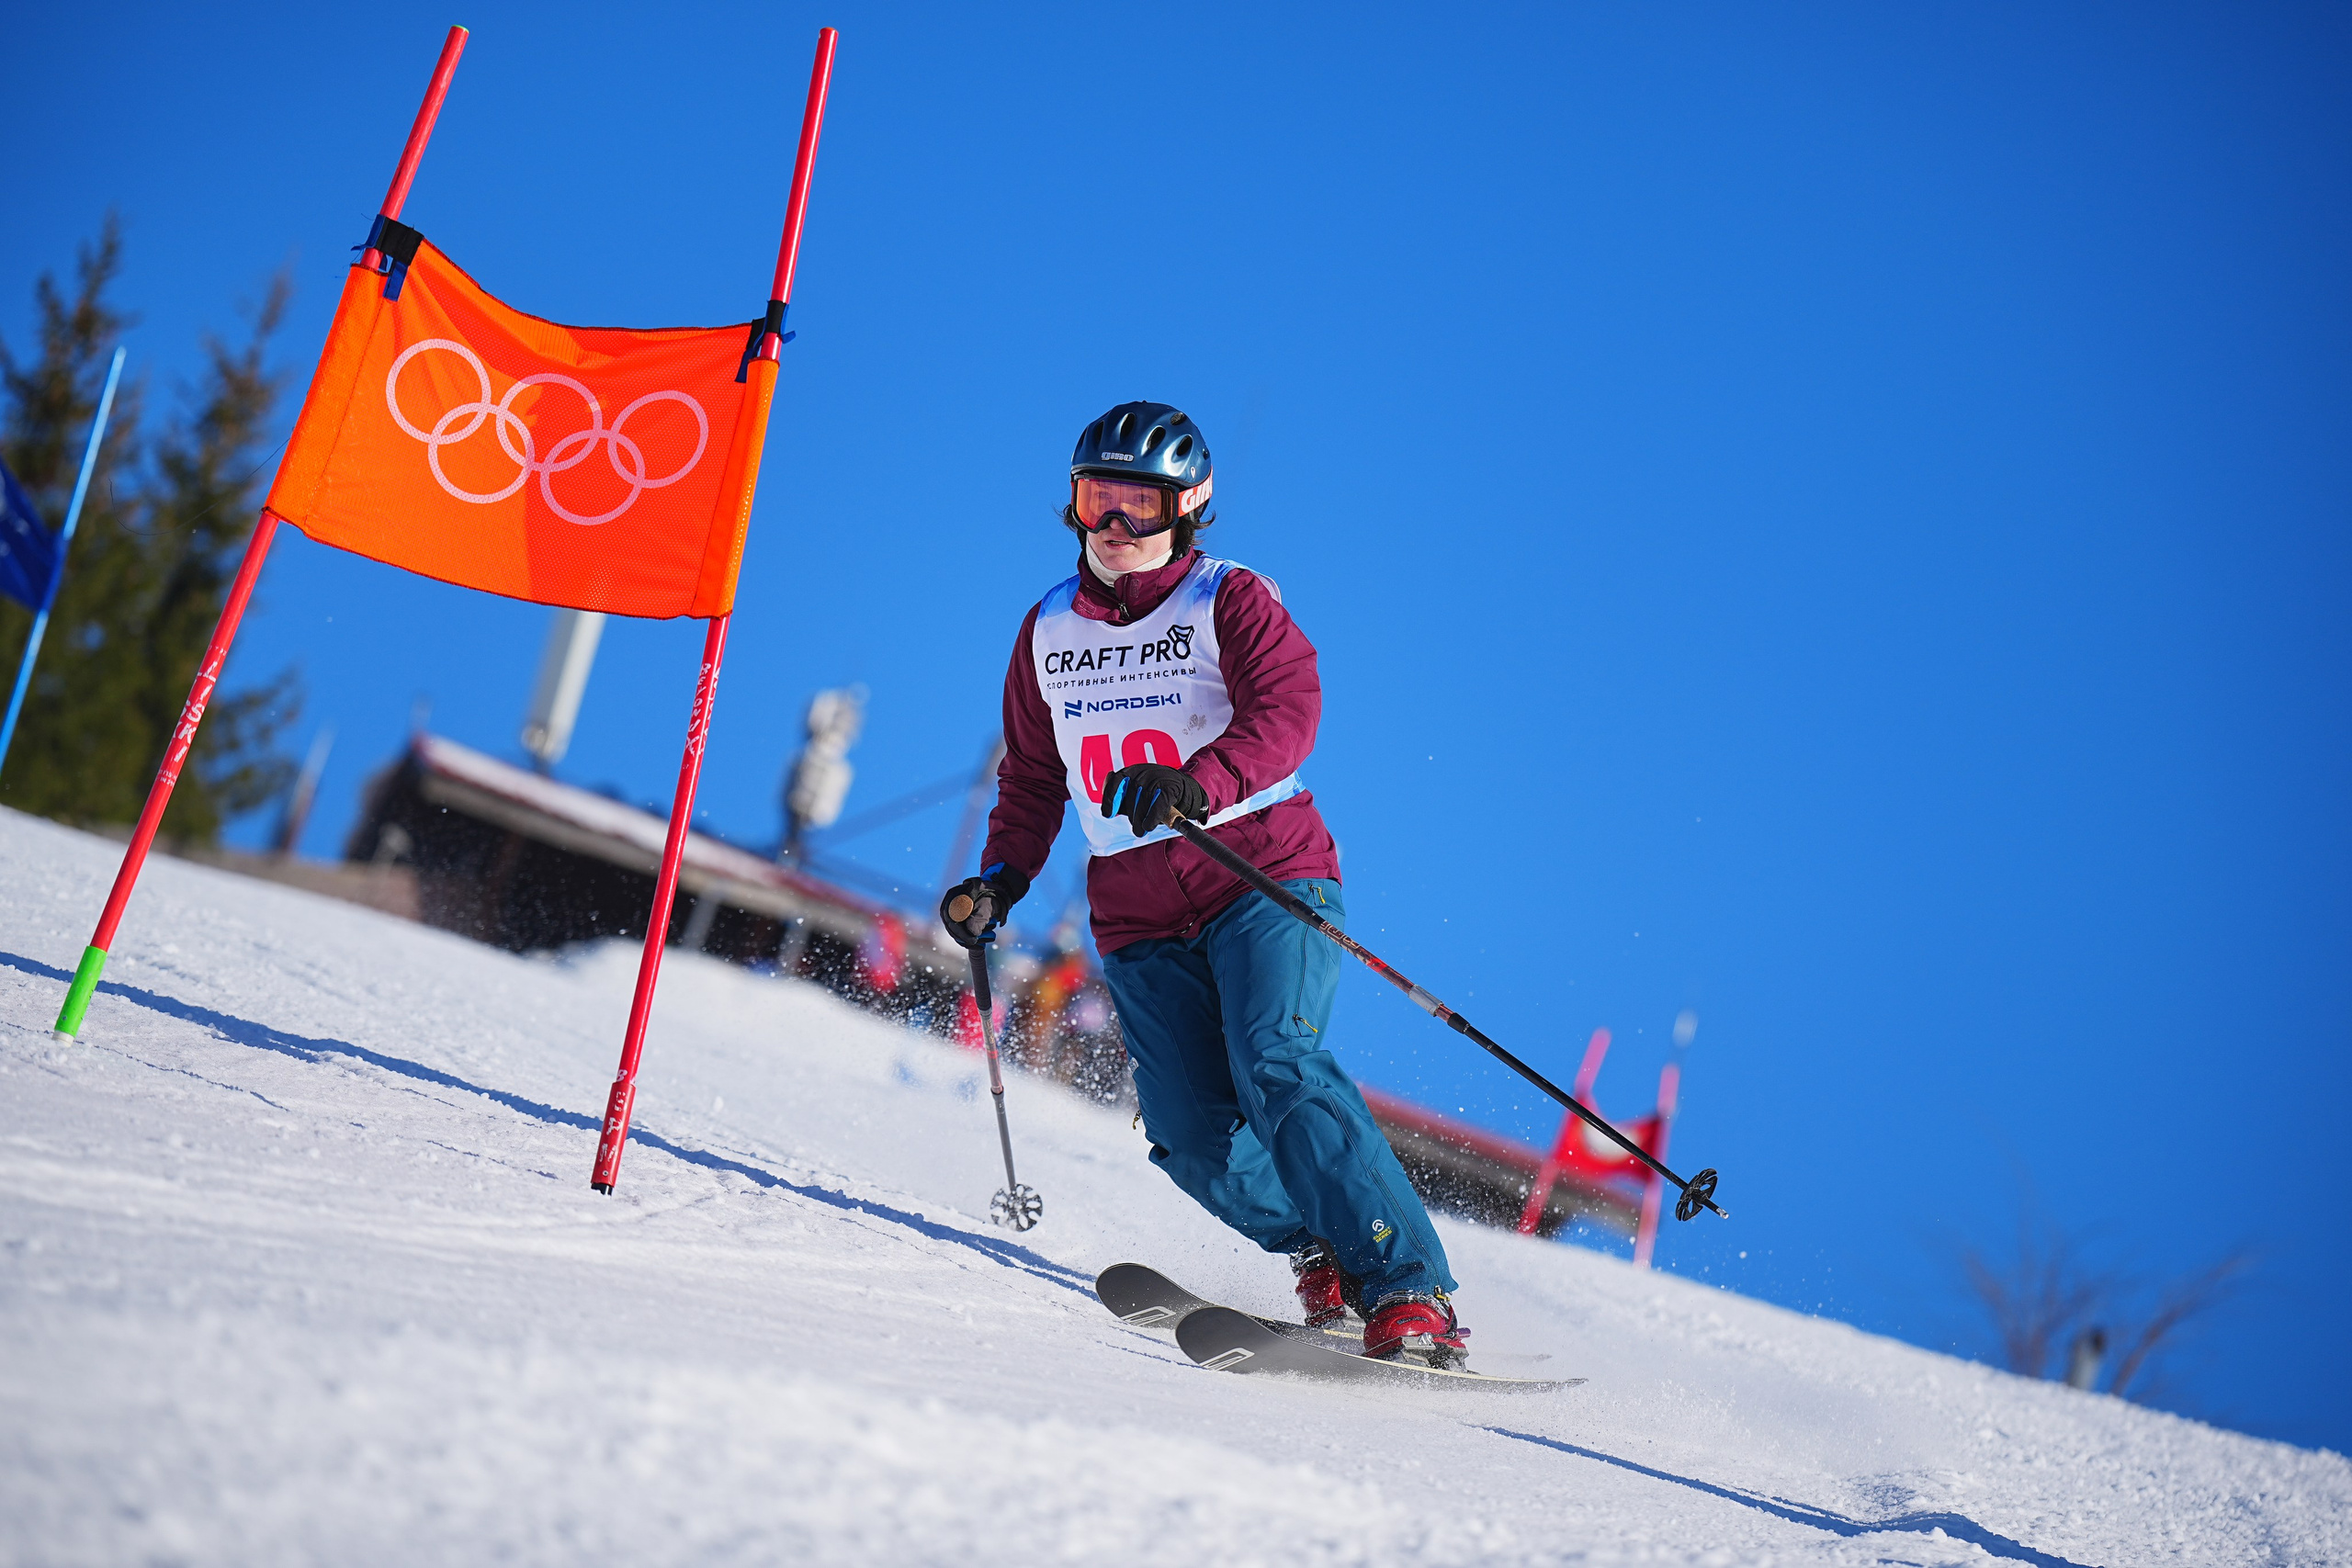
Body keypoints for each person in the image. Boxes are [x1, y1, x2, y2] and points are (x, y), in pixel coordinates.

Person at [940, 400, 1468, 1366]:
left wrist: (1201, 783)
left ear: (1186, 509)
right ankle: (1322, 1255)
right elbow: (1030, 775)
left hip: (1260, 873)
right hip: (1137, 914)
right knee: (1188, 1132)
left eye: (1136, 506)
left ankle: (1407, 1287)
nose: (1112, 526)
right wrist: (1002, 879)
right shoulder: (1048, 629)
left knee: (1277, 1061)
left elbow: (1288, 712)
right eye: (1097, 499)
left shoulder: (1229, 598)